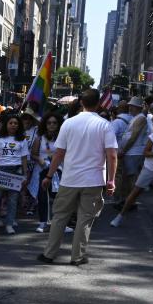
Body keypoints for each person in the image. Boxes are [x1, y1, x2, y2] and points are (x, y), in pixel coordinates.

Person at [39, 88, 118, 265]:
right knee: (85, 219)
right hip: (94, 180)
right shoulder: (105, 125)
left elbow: (59, 154)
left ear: (81, 102)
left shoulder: (68, 123)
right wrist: (111, 180)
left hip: (69, 179)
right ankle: (78, 256)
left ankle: (49, 254)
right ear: (98, 104)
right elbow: (112, 155)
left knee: (60, 216)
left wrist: (49, 176)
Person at [0, 111, 30, 235]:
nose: (13, 125)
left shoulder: (22, 140)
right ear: (6, 125)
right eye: (11, 123)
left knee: (13, 200)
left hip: (16, 171)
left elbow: (24, 158)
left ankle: (9, 224)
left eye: (15, 123)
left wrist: (25, 174)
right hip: (1, 170)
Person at [33, 111, 63, 232]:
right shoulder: (39, 138)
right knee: (42, 197)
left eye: (54, 123)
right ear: (45, 124)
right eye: (49, 123)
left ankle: (60, 224)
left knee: (59, 198)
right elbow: (33, 154)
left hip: (59, 170)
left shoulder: (62, 138)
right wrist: (41, 160)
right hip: (42, 170)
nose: (51, 125)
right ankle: (43, 222)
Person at [115, 97, 148, 205]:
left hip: (134, 152)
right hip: (131, 152)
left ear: (137, 107)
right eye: (130, 106)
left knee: (131, 177)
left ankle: (130, 201)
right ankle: (127, 200)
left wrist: (123, 150)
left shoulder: (141, 118)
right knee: (128, 177)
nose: (130, 108)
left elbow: (133, 137)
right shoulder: (136, 118)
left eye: (132, 106)